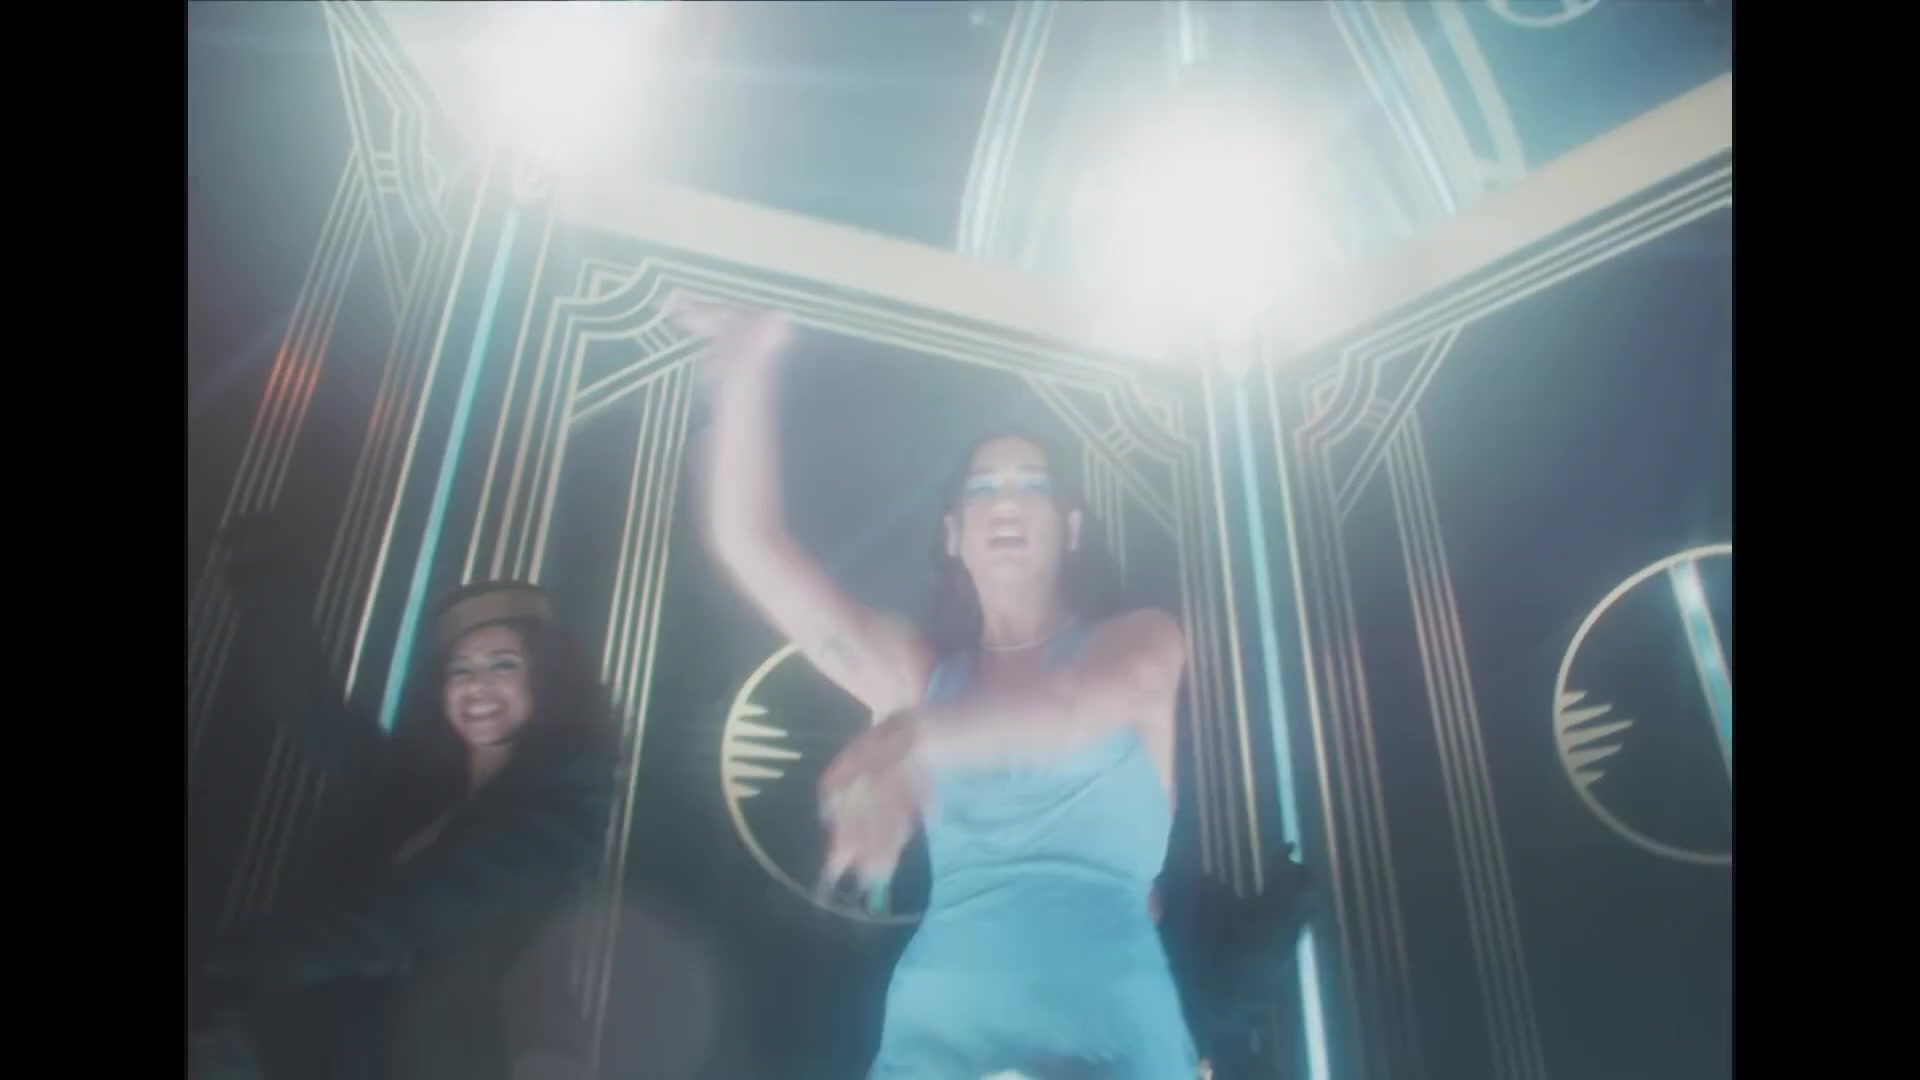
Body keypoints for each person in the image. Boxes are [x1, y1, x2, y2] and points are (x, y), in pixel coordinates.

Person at [686, 300, 1199, 1078]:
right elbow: (750, 546)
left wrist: (910, 734)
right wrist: (744, 370)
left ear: (1070, 528)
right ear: (954, 534)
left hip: (1108, 1032)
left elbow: (1068, 713)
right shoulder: (918, 678)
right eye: (983, 487)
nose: (1007, 499)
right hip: (942, 1035)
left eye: (1032, 484)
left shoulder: (1141, 639)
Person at [190, 517, 619, 1080]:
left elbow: (408, 915)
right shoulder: (417, 784)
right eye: (459, 669)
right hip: (323, 1043)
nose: (477, 686)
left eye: (503, 664)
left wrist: (233, 963)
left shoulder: (565, 808)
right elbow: (311, 710)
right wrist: (265, 581)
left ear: (549, 678)